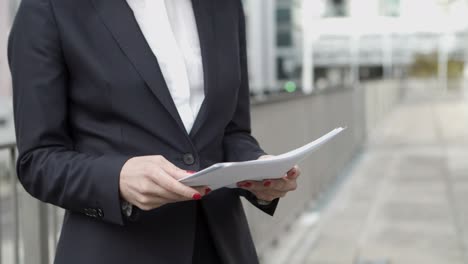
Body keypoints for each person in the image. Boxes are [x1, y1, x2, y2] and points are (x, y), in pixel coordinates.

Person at [8, 0, 301, 263]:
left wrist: (261, 169)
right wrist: (118, 179)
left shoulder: (224, 6)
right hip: (117, 249)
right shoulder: (49, 8)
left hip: (223, 247)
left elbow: (232, 133)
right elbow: (38, 160)